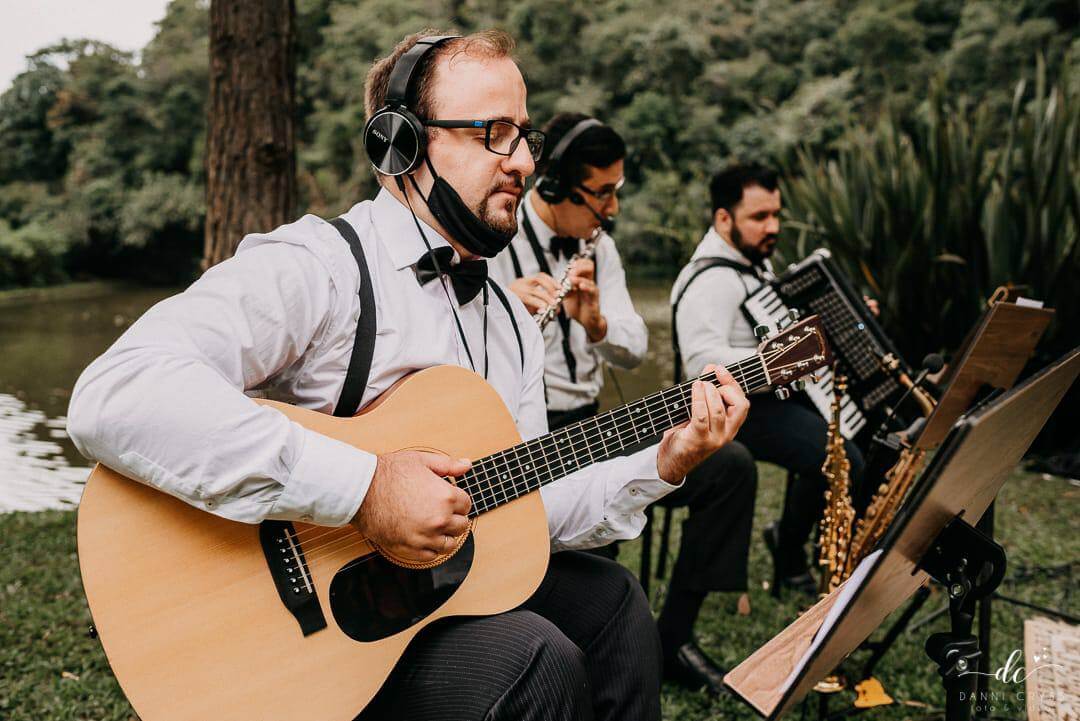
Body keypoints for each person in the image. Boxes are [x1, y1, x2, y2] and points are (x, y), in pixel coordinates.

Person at [66, 30, 749, 721]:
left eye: (525, 137)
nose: (522, 162)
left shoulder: (511, 324)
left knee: (614, 604)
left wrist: (662, 463)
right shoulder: (321, 268)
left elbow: (530, 506)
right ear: (400, 143)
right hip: (305, 635)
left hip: (421, 598)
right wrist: (363, 489)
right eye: (493, 133)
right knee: (536, 660)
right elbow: (117, 393)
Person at [671, 163, 865, 600]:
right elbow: (700, 365)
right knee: (840, 456)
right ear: (724, 218)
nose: (772, 227)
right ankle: (795, 550)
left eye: (776, 215)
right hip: (728, 412)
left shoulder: (751, 264)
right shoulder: (711, 280)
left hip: (769, 400)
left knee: (850, 440)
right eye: (759, 217)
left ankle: (793, 542)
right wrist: (779, 361)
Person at [488, 113, 646, 432]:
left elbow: (635, 352)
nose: (613, 208)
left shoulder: (600, 247)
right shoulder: (492, 243)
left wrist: (597, 325)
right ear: (557, 187)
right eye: (603, 193)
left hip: (590, 423)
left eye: (616, 190)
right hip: (517, 432)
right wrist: (501, 315)